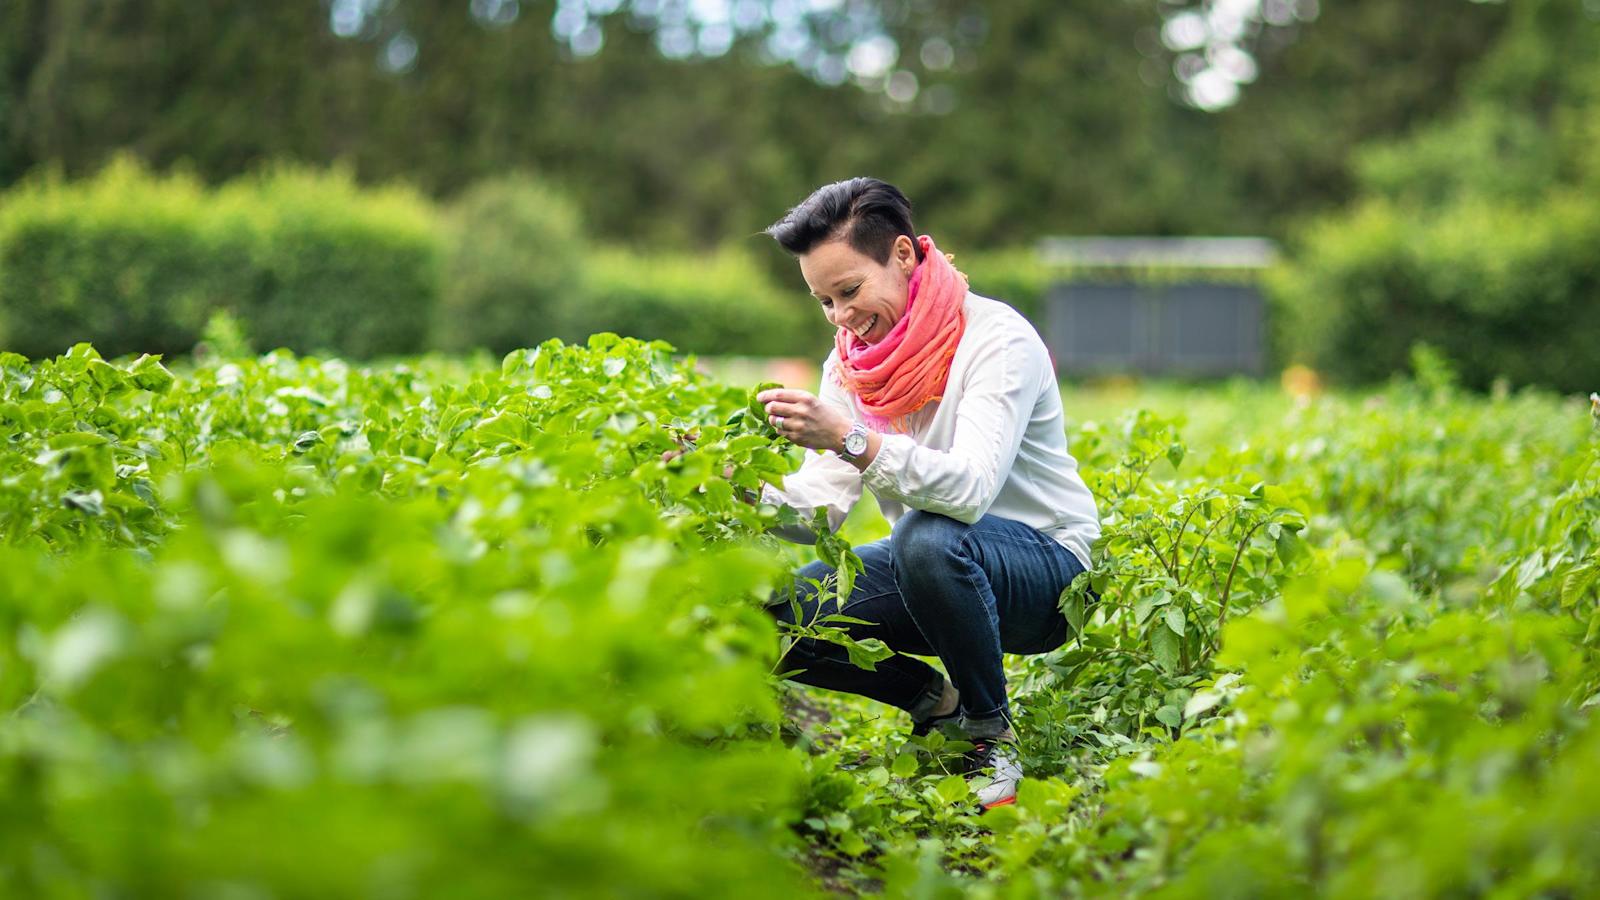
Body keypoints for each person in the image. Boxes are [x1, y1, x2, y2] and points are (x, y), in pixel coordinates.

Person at [755, 177, 1102, 810]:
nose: (840, 317)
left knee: (925, 535)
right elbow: (823, 509)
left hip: (1047, 576)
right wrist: (734, 486)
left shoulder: (996, 340)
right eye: (824, 301)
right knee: (771, 620)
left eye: (850, 291)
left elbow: (968, 491)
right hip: (933, 568)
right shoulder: (851, 365)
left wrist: (850, 437)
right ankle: (934, 703)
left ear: (905, 255)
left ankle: (987, 732)